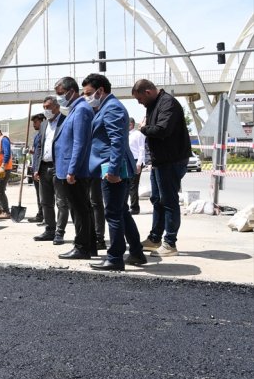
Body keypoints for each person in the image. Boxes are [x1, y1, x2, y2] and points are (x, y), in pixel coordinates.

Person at [82, 74, 146, 271]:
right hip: (111, 167)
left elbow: (116, 141)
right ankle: (136, 252)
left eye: (88, 93)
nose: (86, 98)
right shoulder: (107, 107)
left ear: (100, 90)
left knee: (113, 214)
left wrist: (113, 170)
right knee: (122, 212)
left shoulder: (112, 108)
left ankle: (115, 258)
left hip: (112, 169)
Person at [132, 79, 191, 257]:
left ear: (148, 92)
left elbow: (162, 130)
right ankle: (155, 239)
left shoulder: (168, 103)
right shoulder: (153, 104)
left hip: (171, 160)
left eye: (140, 99)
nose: (139, 103)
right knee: (157, 200)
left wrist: (143, 129)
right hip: (159, 161)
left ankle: (170, 243)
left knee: (169, 201)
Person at [53, 77, 96, 260]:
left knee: (79, 210)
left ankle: (82, 247)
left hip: (75, 171)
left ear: (71, 91)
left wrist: (72, 170)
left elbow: (80, 143)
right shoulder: (75, 109)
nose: (59, 98)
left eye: (61, 94)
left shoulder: (81, 110)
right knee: (81, 208)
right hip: (70, 169)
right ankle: (90, 246)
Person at [32, 95, 69, 246]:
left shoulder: (66, 121)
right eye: (44, 108)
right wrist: (36, 168)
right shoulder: (43, 125)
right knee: (45, 202)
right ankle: (49, 230)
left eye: (48, 107)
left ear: (57, 107)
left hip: (58, 167)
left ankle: (59, 232)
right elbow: (39, 147)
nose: (45, 110)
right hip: (44, 168)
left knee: (61, 202)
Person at [27, 113, 45, 223]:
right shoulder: (37, 135)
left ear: (42, 121)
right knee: (39, 194)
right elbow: (37, 151)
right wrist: (31, 151)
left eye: (36, 122)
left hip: (41, 169)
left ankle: (46, 216)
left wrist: (38, 170)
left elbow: (43, 152)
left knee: (44, 195)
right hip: (35, 168)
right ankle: (41, 214)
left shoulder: (45, 135)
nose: (34, 124)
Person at [127, 117, 146, 214]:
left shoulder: (138, 134)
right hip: (127, 161)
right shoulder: (125, 134)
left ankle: (134, 207)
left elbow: (142, 149)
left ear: (131, 124)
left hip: (135, 161)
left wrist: (139, 164)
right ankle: (125, 206)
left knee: (133, 185)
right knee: (126, 184)